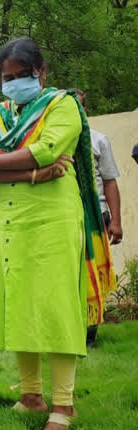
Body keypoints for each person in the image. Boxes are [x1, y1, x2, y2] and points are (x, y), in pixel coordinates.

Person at [0, 37, 115, 430]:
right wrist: (32, 174)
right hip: (8, 224)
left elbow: (48, 150)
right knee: (20, 308)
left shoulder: (62, 105)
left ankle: (64, 406)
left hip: (52, 223)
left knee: (56, 310)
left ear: (41, 73)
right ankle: (31, 395)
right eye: (6, 77)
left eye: (20, 76)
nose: (13, 83)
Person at [73, 90, 123, 347]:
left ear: (86, 112)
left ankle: (89, 337)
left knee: (91, 277)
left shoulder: (98, 140)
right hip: (65, 218)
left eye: (79, 107)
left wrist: (116, 221)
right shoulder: (52, 141)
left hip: (96, 217)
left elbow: (110, 181)